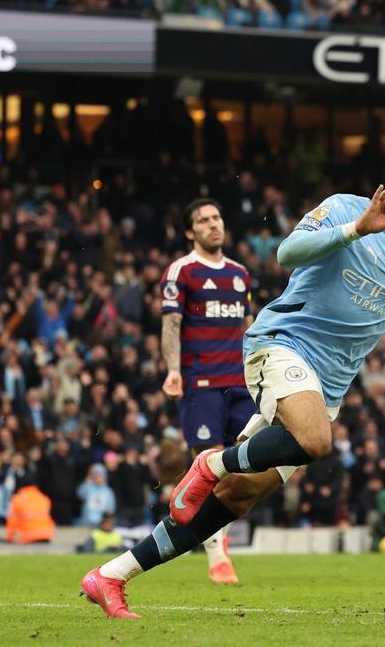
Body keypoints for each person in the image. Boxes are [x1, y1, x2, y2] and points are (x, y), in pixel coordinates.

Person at [80, 138, 385, 618]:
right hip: (281, 344)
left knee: (236, 498)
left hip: (330, 383)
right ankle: (212, 463)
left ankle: (111, 576)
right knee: (315, 441)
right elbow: (289, 253)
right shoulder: (346, 207)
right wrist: (355, 229)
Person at [160, 198, 254, 584]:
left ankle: (215, 536)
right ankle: (217, 553)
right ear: (190, 232)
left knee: (244, 465)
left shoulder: (240, 274)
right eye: (203, 220)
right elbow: (171, 325)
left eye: (217, 217)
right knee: (208, 462)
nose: (213, 224)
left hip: (240, 381)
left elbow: (249, 328)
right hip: (200, 382)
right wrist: (171, 370)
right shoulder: (182, 271)